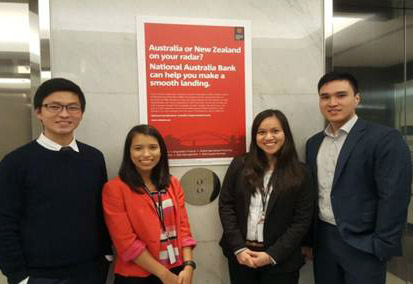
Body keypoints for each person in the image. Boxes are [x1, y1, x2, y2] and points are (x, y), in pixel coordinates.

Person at [0, 78, 112, 284]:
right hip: (38, 275)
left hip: (90, 270)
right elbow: (5, 222)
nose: (64, 114)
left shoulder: (93, 157)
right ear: (38, 112)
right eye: (54, 107)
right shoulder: (15, 162)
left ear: (81, 113)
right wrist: (18, 276)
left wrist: (106, 255)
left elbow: (101, 211)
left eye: (72, 107)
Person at [305, 72, 412, 284]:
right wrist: (309, 240)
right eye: (325, 97)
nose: (332, 102)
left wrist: (381, 246)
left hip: (364, 243)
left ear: (357, 98)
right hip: (324, 240)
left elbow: (394, 197)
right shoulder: (314, 143)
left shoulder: (384, 138)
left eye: (341, 95)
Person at [219, 109, 314, 284]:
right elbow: (226, 205)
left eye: (275, 131)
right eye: (261, 132)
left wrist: (271, 255)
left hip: (281, 261)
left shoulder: (301, 173)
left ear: (285, 133)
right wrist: (239, 248)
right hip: (242, 257)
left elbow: (302, 221)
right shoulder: (240, 164)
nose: (268, 137)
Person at [102, 125, 196, 284]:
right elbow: (126, 243)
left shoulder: (172, 184)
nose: (146, 154)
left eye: (153, 147)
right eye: (138, 148)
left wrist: (188, 265)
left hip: (177, 271)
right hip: (137, 275)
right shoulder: (115, 189)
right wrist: (164, 275)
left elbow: (184, 228)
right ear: (129, 152)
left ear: (161, 151)